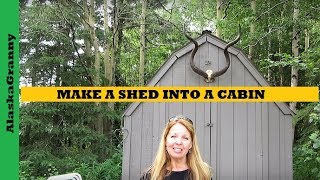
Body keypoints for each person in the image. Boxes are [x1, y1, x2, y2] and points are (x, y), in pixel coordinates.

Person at [140, 115, 212, 180]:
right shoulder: (151, 175)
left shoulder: (202, 174)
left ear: (191, 144)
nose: (179, 142)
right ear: (165, 141)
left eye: (185, 138)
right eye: (173, 136)